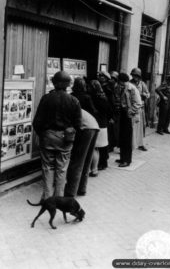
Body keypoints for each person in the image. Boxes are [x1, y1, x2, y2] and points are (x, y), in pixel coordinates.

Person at [33, 71, 81, 200]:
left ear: (54, 83)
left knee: (47, 167)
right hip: (65, 138)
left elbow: (37, 122)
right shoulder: (74, 100)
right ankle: (59, 198)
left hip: (47, 137)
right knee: (62, 168)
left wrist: (43, 134)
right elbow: (78, 123)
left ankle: (48, 198)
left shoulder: (46, 98)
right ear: (68, 85)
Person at [64, 109, 99, 197]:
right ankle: (82, 189)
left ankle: (70, 192)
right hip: (94, 126)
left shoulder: (62, 106)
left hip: (85, 128)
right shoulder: (71, 102)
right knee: (86, 160)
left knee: (77, 161)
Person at [115, 73, 142, 167]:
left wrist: (130, 112)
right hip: (123, 114)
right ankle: (122, 157)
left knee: (127, 139)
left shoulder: (132, 89)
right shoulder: (121, 87)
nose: (118, 83)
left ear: (122, 81)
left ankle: (127, 160)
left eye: (119, 81)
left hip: (129, 116)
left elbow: (138, 103)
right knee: (122, 137)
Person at [89, 80, 112, 170]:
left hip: (97, 123)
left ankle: (99, 164)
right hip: (103, 122)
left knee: (97, 146)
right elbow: (109, 111)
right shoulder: (104, 97)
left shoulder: (94, 98)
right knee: (103, 145)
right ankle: (103, 162)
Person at [130, 68, 150, 151]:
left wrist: (145, 94)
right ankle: (132, 144)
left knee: (141, 126)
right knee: (133, 126)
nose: (135, 77)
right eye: (134, 75)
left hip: (141, 107)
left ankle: (140, 143)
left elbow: (148, 94)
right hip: (133, 107)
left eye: (137, 76)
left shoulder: (142, 84)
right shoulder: (129, 83)